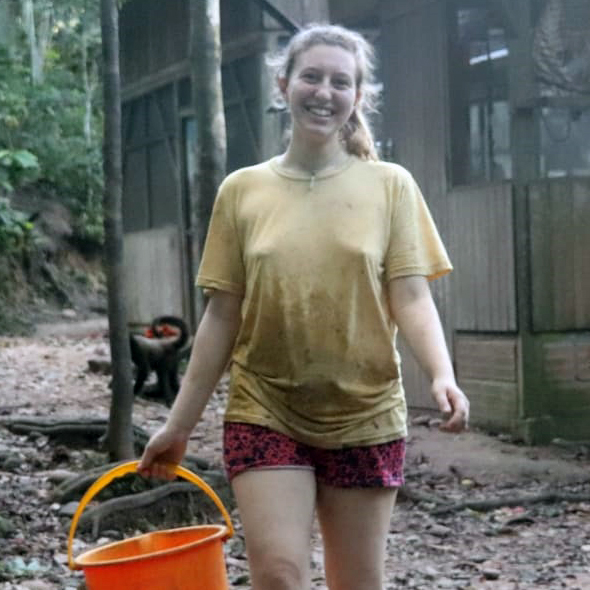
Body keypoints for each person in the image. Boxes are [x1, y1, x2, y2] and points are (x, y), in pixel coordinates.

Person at [138, 23, 469, 590]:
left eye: (340, 82)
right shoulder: (242, 191)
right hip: (265, 407)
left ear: (357, 96)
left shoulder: (390, 186)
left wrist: (442, 373)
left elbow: (411, 295)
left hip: (365, 413)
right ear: (283, 84)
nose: (324, 92)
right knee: (278, 574)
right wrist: (178, 425)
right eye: (311, 77)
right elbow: (222, 315)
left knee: (357, 582)